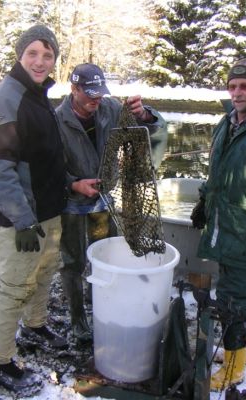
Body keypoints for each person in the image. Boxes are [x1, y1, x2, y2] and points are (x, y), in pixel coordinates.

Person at [0, 25, 99, 395]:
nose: (40, 61)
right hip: (23, 219)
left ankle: (35, 326)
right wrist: (20, 219)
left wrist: (70, 183)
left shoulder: (37, 95)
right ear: (20, 54)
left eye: (47, 55)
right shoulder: (7, 98)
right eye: (32, 53)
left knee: (44, 273)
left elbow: (43, 159)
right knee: (14, 286)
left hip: (48, 210)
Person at [56, 63, 168, 342]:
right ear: (74, 89)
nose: (96, 99)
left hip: (104, 199)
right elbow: (48, 167)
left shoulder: (111, 109)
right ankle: (78, 319)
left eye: (100, 92)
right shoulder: (56, 119)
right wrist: (73, 183)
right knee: (74, 262)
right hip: (71, 202)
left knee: (105, 256)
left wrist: (144, 113)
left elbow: (153, 129)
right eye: (89, 93)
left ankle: (103, 303)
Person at [190, 58, 246, 391]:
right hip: (225, 229)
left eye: (245, 86)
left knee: (233, 301)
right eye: (232, 86)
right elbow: (215, 173)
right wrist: (203, 201)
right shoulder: (226, 122)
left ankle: (233, 370)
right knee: (244, 296)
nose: (237, 92)